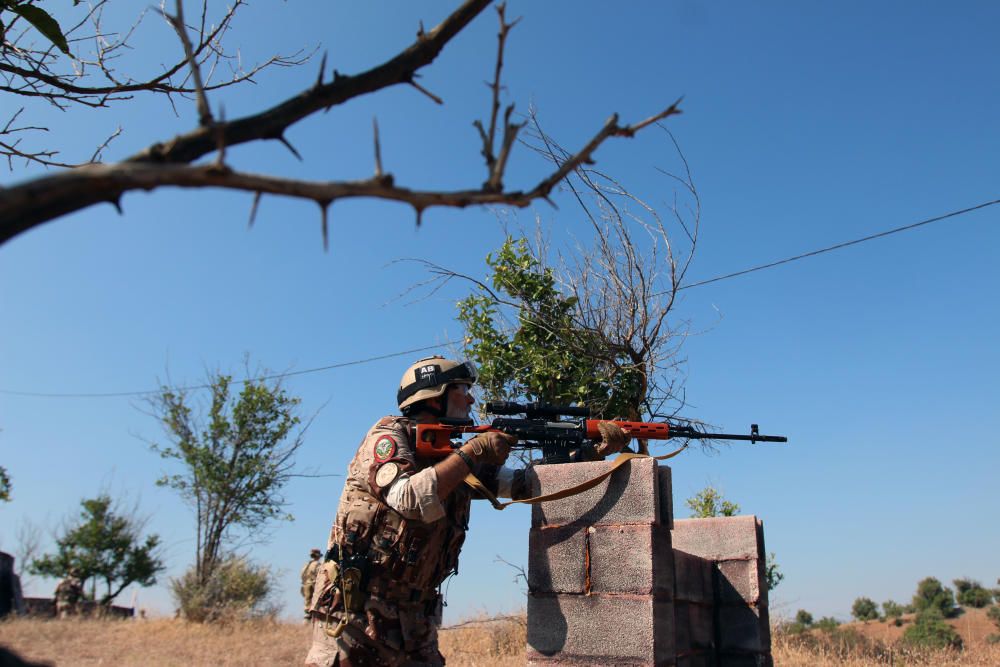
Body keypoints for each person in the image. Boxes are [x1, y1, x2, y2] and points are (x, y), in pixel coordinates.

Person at [304, 356, 627, 667]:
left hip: (414, 620)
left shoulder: (453, 457)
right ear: (434, 396)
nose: (471, 400)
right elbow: (408, 498)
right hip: (355, 617)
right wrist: (473, 452)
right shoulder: (389, 436)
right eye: (463, 390)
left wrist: (588, 453)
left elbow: (522, 485)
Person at [301, 548, 323, 619]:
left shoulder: (306, 565)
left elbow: (302, 575)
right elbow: (320, 575)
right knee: (316, 605)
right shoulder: (318, 564)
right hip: (314, 586)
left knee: (307, 604)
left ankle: (307, 618)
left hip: (305, 585)